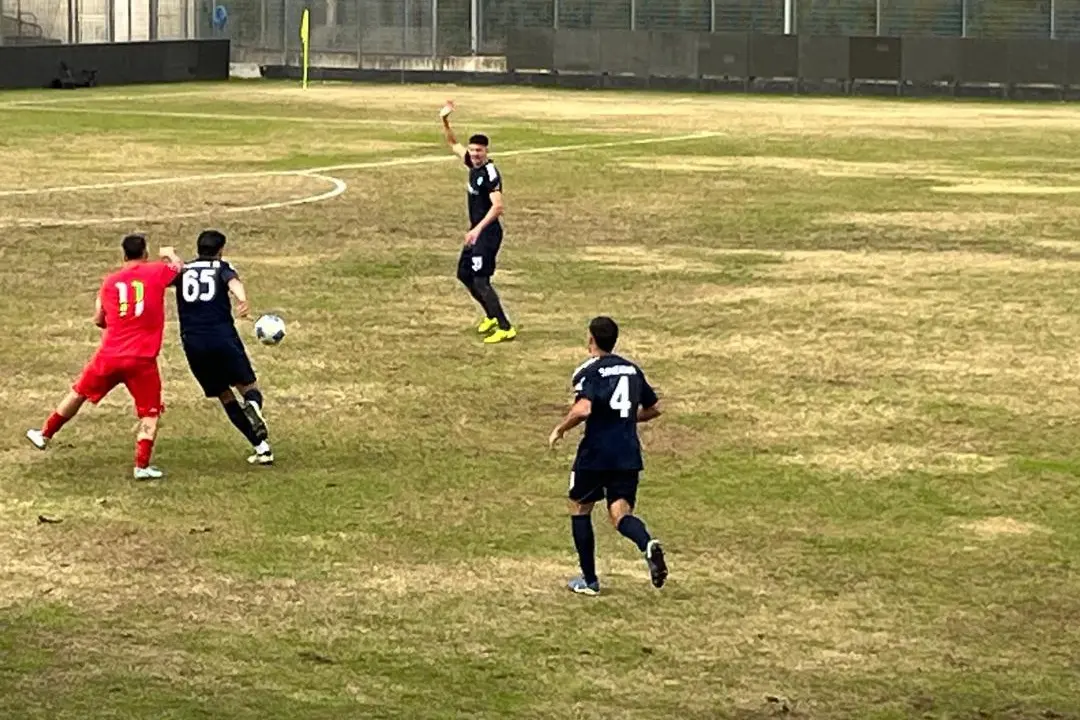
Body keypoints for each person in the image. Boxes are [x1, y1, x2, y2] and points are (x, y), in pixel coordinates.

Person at [25, 234, 183, 480]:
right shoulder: (156, 271)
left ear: (123, 256)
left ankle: (44, 434)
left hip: (109, 354)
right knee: (149, 412)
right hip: (141, 359)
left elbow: (99, 319)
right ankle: (141, 466)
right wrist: (170, 254)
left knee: (78, 393)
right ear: (145, 253)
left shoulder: (109, 282)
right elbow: (177, 268)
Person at [549, 316, 668, 595]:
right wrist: (625, 419)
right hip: (627, 452)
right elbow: (654, 408)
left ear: (591, 339)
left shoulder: (588, 371)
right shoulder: (632, 369)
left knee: (580, 506)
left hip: (596, 452)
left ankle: (589, 580)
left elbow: (584, 409)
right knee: (620, 514)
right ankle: (647, 544)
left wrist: (560, 428)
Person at [172, 229, 273, 466]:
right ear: (220, 250)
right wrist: (242, 300)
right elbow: (234, 282)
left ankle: (262, 448)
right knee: (248, 386)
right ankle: (254, 406)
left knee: (225, 396)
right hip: (222, 337)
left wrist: (173, 258)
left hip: (193, 341)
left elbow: (163, 280)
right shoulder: (221, 267)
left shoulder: (184, 270)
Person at [440, 99, 517, 344]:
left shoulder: (490, 173)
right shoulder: (471, 164)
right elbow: (453, 144)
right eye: (472, 151)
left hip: (488, 233)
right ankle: (491, 316)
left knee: (481, 280)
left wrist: (477, 230)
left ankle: (505, 326)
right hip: (475, 232)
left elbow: (498, 207)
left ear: (486, 152)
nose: (474, 155)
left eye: (479, 151)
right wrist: (444, 120)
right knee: (464, 274)